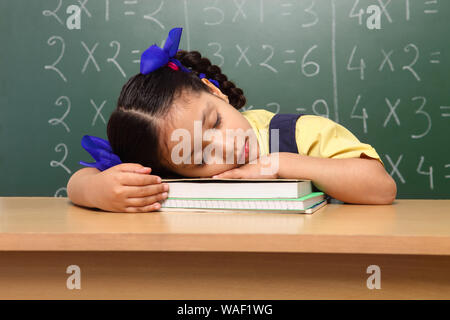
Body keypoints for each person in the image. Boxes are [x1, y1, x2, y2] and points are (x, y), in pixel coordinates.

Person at [67, 27, 396, 213]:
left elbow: (381, 188)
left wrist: (279, 164)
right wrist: (97, 191)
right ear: (170, 170)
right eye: (198, 157)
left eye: (214, 124)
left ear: (215, 92)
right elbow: (80, 181)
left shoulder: (300, 134)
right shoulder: (163, 156)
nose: (227, 148)